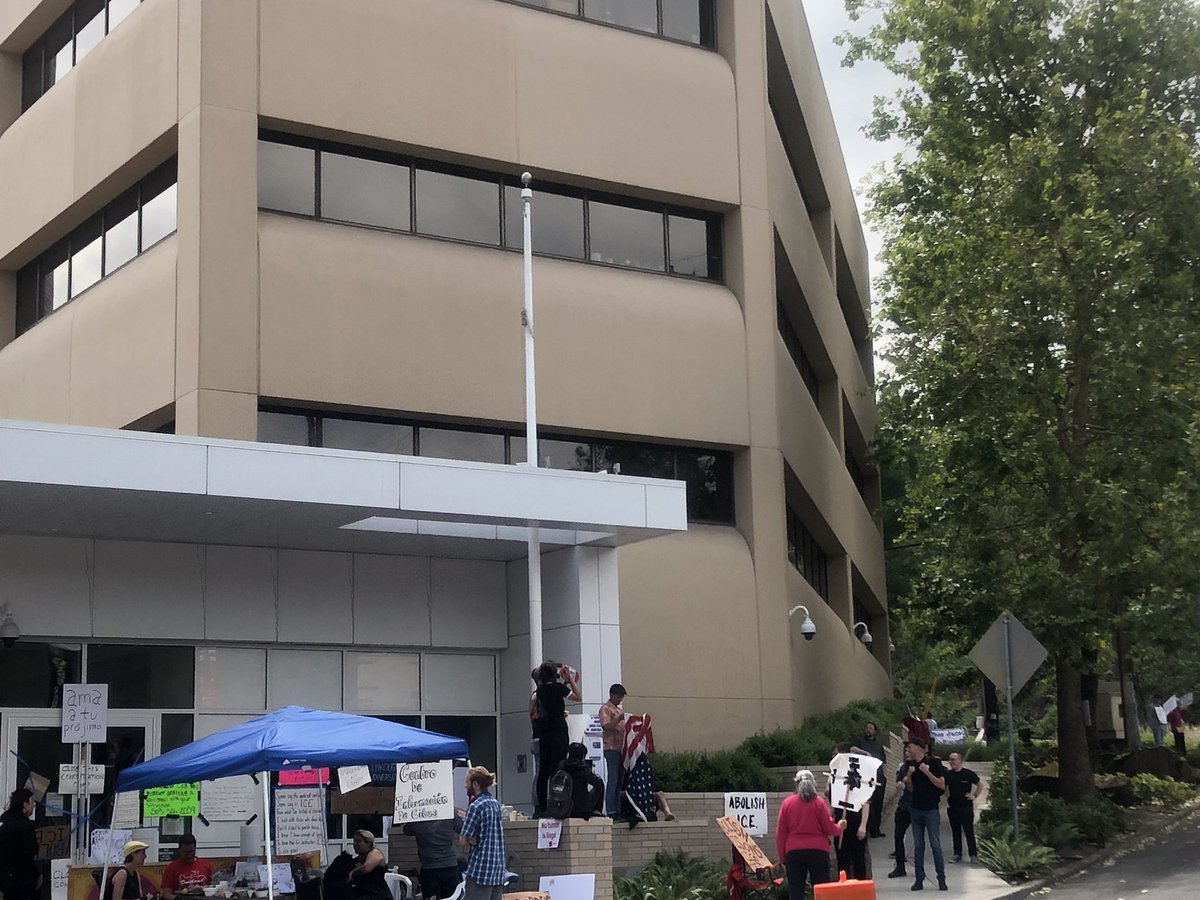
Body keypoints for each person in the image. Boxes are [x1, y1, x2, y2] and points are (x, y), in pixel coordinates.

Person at [776, 769, 844, 900]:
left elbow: (781, 833)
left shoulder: (787, 803)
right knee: (821, 890)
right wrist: (839, 826)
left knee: (796, 891)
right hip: (818, 851)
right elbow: (830, 829)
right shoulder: (819, 803)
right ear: (814, 784)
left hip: (793, 852)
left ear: (796, 785)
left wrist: (782, 857)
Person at [533, 661, 581, 815]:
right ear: (555, 675)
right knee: (557, 767)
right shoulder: (558, 688)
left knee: (543, 771)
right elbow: (577, 697)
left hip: (544, 733)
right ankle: (556, 800)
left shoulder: (540, 691)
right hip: (558, 732)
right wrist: (571, 680)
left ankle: (541, 805)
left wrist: (564, 681)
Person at [904, 737, 947, 892]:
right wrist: (909, 776)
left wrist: (927, 772)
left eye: (910, 747)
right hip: (916, 809)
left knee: (935, 844)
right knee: (918, 846)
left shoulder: (933, 763)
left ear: (918, 747)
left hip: (931, 810)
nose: (907, 751)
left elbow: (941, 785)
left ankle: (941, 878)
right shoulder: (910, 765)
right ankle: (919, 879)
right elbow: (910, 789)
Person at [459, 767, 507, 900]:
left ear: (475, 784)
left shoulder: (475, 806)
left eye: (467, 781)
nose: (465, 785)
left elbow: (462, 840)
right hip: (498, 868)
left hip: (480, 869)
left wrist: (471, 839)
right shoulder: (496, 804)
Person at [403, 817, 463, 900]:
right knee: (450, 897)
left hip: (429, 867)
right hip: (450, 864)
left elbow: (406, 830)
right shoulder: (448, 812)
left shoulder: (418, 817)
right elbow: (462, 828)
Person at [0, 788, 39, 900]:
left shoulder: (5, 824)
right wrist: (36, 874)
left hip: (6, 879)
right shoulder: (24, 826)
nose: (34, 805)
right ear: (24, 804)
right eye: (31, 802)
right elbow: (29, 855)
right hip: (22, 880)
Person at [944, 753, 981, 862]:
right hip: (953, 807)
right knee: (955, 831)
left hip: (966, 807)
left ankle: (973, 855)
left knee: (968, 831)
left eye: (954, 759)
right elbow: (944, 786)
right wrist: (947, 794)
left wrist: (973, 796)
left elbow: (980, 785)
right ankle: (957, 854)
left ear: (960, 760)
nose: (952, 762)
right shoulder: (948, 775)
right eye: (950, 760)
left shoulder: (968, 774)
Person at [598, 683, 627, 817]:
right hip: (611, 748)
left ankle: (619, 808)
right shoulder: (605, 709)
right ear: (612, 695)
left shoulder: (620, 710)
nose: (620, 700)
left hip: (621, 748)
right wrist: (617, 719)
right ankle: (611, 810)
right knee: (613, 779)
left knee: (620, 780)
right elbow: (606, 726)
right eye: (619, 696)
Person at [558, 743, 605, 819]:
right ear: (583, 756)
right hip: (580, 810)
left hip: (562, 807)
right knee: (600, 782)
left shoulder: (562, 766)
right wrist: (592, 773)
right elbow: (597, 783)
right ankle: (597, 810)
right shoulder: (582, 768)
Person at [160, 834, 215, 900]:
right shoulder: (171, 868)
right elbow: (166, 893)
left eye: (192, 852)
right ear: (180, 851)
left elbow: (216, 887)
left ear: (195, 848)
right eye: (186, 852)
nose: (189, 855)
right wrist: (178, 898)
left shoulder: (207, 865)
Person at [858, 722, 887, 838]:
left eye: (871, 728)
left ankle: (876, 829)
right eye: (867, 727)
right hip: (865, 777)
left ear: (875, 731)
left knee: (878, 804)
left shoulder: (878, 745)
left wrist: (884, 776)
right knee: (867, 803)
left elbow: (883, 762)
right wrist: (865, 753)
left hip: (878, 776)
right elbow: (852, 749)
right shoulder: (860, 742)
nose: (868, 730)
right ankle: (866, 827)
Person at [886, 760, 913, 879]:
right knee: (898, 836)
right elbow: (899, 783)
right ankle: (900, 867)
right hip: (903, 805)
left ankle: (920, 869)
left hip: (917, 805)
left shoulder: (922, 766)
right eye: (906, 750)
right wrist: (901, 782)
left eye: (909, 749)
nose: (907, 752)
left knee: (919, 838)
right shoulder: (903, 767)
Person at [347, 830, 390, 900]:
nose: (355, 844)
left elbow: (366, 868)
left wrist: (352, 873)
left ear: (369, 843)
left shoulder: (375, 853)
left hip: (377, 894)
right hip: (362, 894)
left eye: (358, 841)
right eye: (354, 841)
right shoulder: (356, 860)